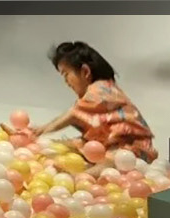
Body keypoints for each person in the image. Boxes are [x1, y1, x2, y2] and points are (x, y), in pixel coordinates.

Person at [15, 41, 156, 163]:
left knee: (111, 162)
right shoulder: (97, 93)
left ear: (85, 71)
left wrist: (40, 131)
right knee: (70, 146)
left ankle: (82, 177)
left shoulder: (101, 88)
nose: (66, 82)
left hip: (134, 149)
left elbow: (73, 114)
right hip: (111, 144)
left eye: (66, 74)